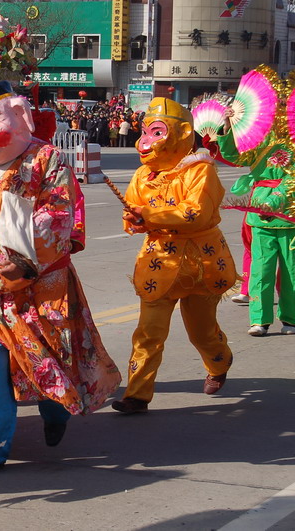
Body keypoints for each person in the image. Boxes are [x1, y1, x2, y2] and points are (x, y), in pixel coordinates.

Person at [0, 81, 121, 476]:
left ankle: (56, 413)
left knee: (46, 363)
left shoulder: (45, 160)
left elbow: (59, 213)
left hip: (39, 290)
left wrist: (26, 260)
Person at [111, 97, 237, 415]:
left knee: (202, 331)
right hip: (159, 261)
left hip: (202, 262)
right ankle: (137, 395)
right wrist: (136, 219)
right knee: (148, 332)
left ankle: (219, 362)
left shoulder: (200, 171)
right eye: (145, 132)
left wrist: (150, 216)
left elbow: (194, 214)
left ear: (182, 134)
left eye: (157, 132)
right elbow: (134, 212)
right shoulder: (142, 176)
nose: (146, 142)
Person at [216, 105, 295, 336]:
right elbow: (234, 155)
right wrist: (229, 126)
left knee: (291, 271)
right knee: (261, 269)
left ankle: (290, 318)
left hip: (289, 212)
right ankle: (259, 319)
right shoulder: (259, 138)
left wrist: (276, 201)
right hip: (260, 214)